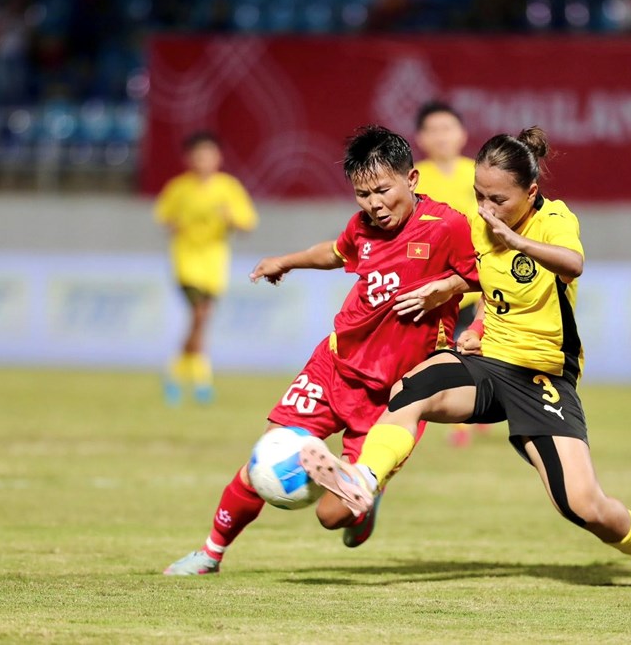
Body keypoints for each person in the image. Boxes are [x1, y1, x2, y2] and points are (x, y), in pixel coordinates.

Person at [302, 127, 631, 590]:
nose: (485, 209)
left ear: (530, 192)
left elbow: (571, 264)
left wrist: (514, 242)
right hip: (488, 362)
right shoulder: (478, 224)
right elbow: (478, 276)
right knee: (411, 388)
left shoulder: (554, 220)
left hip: (542, 376)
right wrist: (457, 298)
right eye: (479, 196)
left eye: (497, 199)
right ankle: (364, 480)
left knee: (581, 505)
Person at [164, 125, 478, 575]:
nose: (374, 204)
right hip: (335, 365)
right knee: (268, 454)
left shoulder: (448, 226)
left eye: (383, 190)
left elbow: (486, 274)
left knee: (332, 517)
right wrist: (286, 261)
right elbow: (335, 253)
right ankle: (210, 554)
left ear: (411, 180)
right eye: (362, 194)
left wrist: (445, 287)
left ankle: (365, 498)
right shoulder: (362, 227)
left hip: (396, 395)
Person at [154, 131, 258, 405]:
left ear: (218, 157)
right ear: (189, 159)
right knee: (201, 314)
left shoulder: (228, 188)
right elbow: (164, 216)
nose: (203, 161)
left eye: (208, 155)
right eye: (198, 156)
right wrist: (174, 224)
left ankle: (176, 372)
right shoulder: (179, 188)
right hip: (186, 260)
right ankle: (201, 378)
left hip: (214, 261)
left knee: (201, 318)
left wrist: (231, 218)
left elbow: (248, 223)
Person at [413, 101, 487, 448]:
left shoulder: (481, 173)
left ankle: (476, 411)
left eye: (448, 128)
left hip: (478, 281)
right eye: (433, 130)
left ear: (462, 134)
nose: (441, 137)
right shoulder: (413, 177)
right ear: (421, 137)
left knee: (477, 349)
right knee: (446, 353)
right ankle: (461, 419)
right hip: (434, 284)